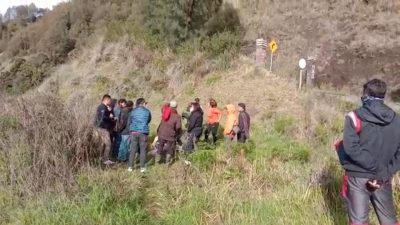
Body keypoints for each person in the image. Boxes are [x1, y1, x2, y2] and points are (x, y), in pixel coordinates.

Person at [341, 79, 400, 225]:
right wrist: (384, 171)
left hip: (358, 177)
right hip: (383, 177)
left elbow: (351, 148)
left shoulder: (353, 117)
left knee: (358, 222)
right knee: (389, 221)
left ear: (365, 95)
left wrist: (374, 167)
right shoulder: (396, 120)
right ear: (383, 96)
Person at [128, 98, 152, 173]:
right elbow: (148, 120)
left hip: (134, 132)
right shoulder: (147, 111)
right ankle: (142, 167)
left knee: (132, 150)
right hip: (143, 132)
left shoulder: (133, 111)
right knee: (143, 150)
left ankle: (130, 167)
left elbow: (130, 121)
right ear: (143, 103)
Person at [94, 94, 115, 165]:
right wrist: (110, 117)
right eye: (110, 100)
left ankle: (100, 158)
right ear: (107, 100)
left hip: (99, 127)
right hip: (103, 128)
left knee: (101, 144)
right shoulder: (102, 107)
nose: (110, 102)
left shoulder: (102, 107)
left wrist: (109, 112)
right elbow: (103, 118)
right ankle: (105, 159)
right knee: (108, 143)